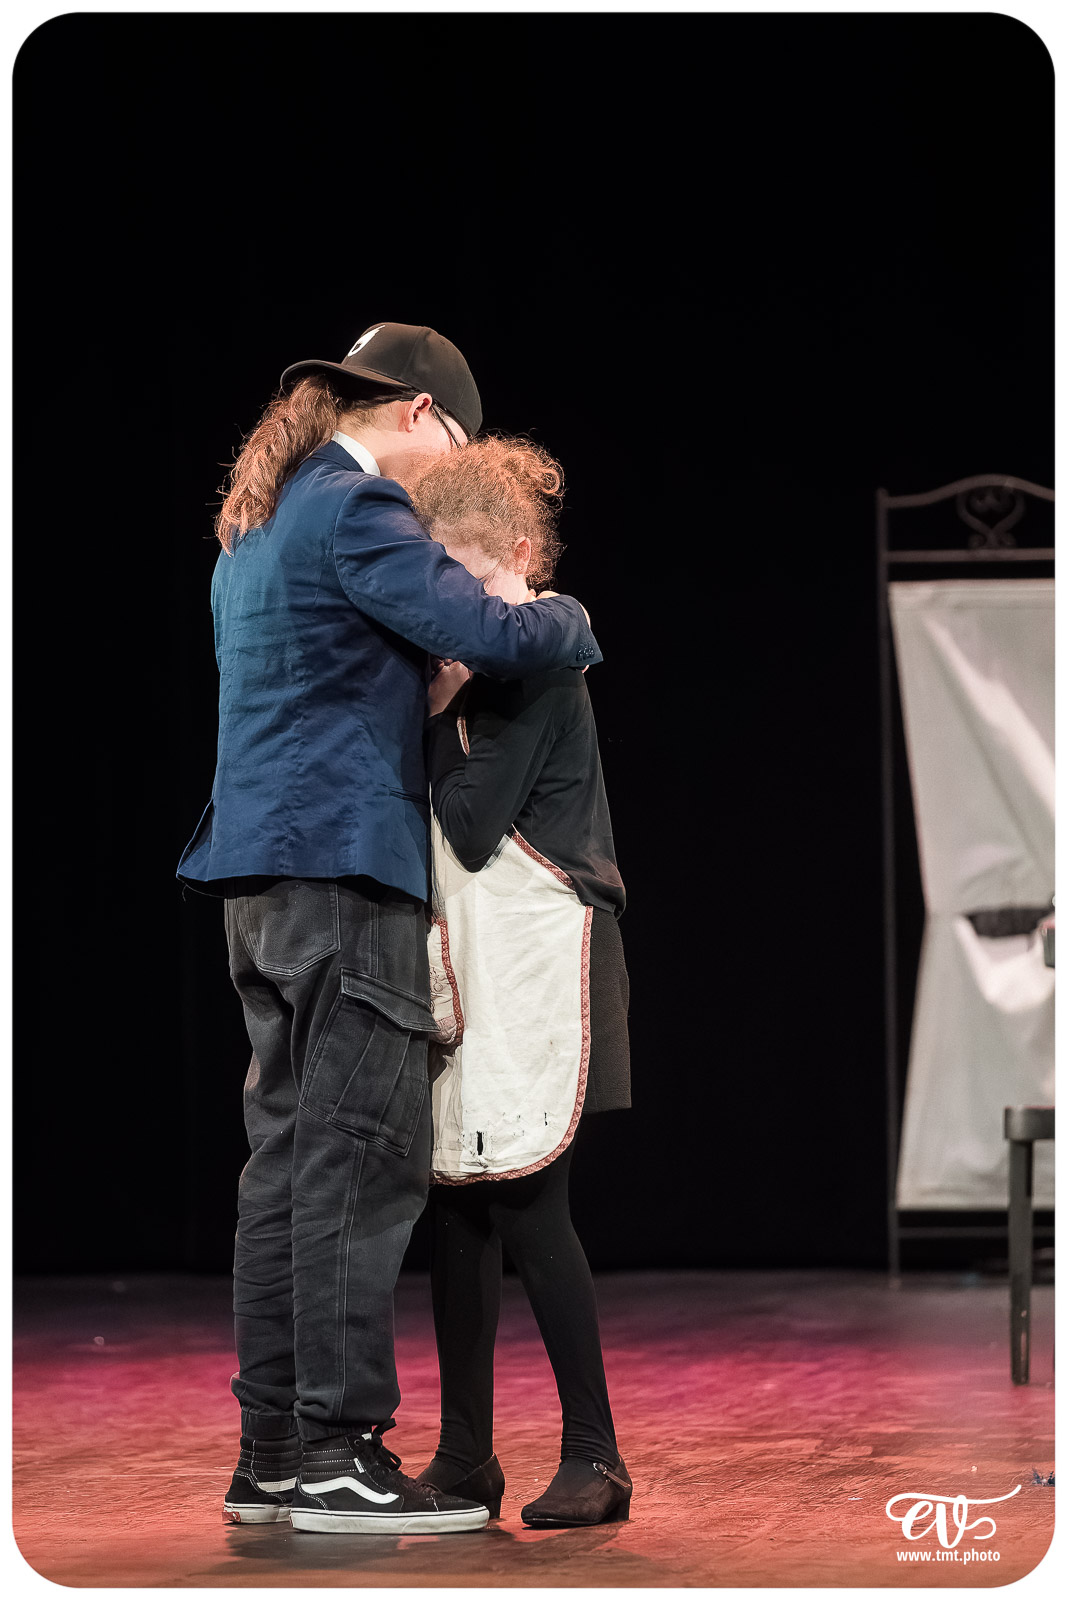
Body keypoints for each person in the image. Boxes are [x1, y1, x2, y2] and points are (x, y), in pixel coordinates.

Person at [176, 323, 603, 1535]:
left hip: (256, 887)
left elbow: (324, 682)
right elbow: (498, 630)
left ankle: (270, 1451)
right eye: (454, 446)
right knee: (357, 1167)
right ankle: (337, 1451)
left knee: (281, 1172)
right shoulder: (357, 512)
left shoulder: (254, 528)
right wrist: (565, 613)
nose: (448, 480)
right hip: (341, 880)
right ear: (419, 414)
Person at [407, 436, 632, 1528]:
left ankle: (596, 1453)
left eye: (469, 572)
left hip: (546, 958)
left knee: (535, 1207)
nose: (455, 599)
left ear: (518, 557)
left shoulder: (541, 667)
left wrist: (439, 709)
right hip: (475, 961)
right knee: (458, 1208)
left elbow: (470, 821)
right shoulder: (477, 680)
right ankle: (465, 1454)